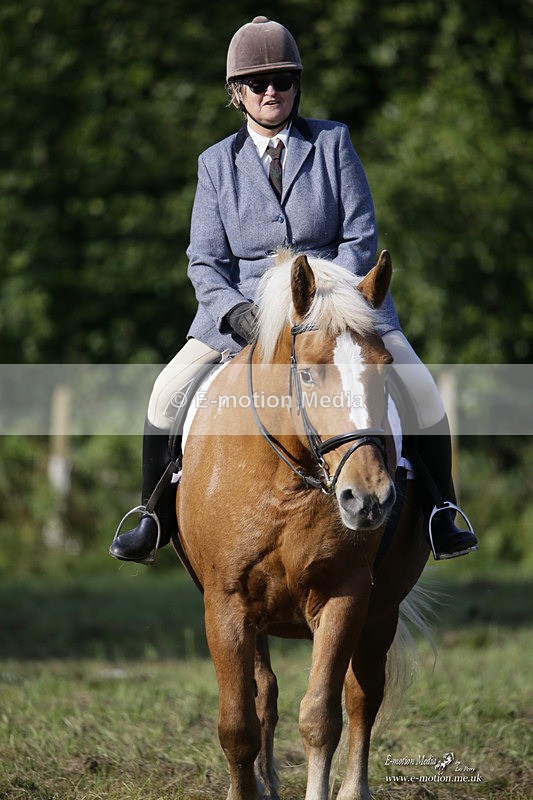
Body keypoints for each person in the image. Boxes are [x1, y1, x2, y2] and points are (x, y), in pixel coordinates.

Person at [110, 16, 477, 564]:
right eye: (257, 83)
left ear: (296, 85)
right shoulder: (216, 164)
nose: (271, 91)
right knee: (165, 394)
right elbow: (204, 262)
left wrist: (329, 304)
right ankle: (152, 517)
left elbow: (360, 237)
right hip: (244, 318)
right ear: (237, 93)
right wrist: (238, 314)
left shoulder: (332, 142)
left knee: (422, 389)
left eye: (282, 80)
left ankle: (441, 512)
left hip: (341, 310)